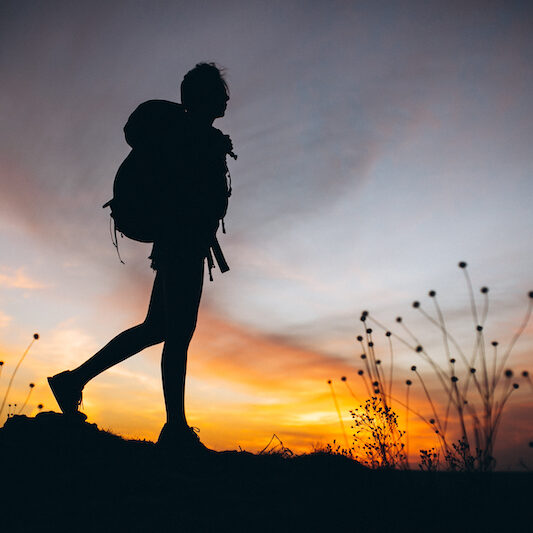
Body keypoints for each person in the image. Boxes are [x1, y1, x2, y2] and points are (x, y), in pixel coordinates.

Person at [48, 63, 233, 454]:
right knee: (178, 334)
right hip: (183, 244)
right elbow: (192, 197)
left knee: (156, 329)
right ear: (206, 97)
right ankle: (176, 429)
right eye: (220, 92)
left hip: (179, 243)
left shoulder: (190, 136)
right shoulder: (194, 138)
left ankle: (72, 381)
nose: (227, 99)